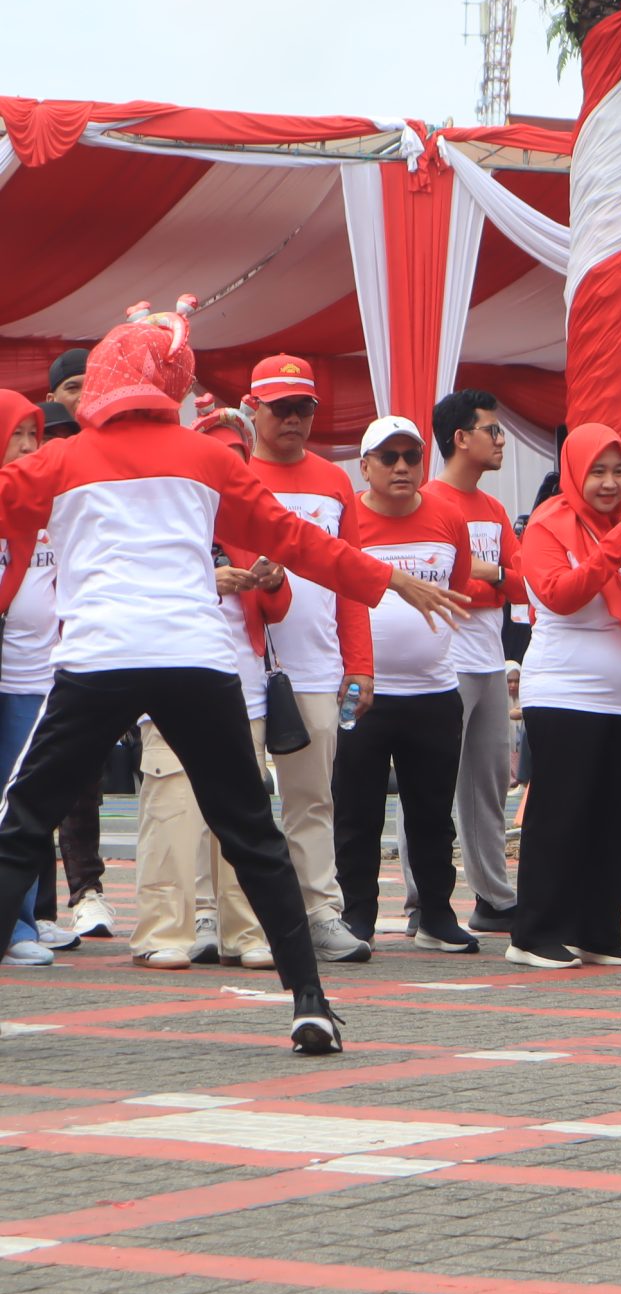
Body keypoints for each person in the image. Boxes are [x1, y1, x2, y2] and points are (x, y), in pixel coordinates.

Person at [0, 300, 468, 1052]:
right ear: (167, 385)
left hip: (100, 660)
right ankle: (309, 1001)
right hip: (197, 658)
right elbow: (296, 540)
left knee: (22, 825)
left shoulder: (60, 460)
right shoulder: (210, 457)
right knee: (252, 830)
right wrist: (387, 579)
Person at [131, 410, 292, 971]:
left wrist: (272, 580)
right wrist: (208, 577)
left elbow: (278, 609)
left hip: (240, 690)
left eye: (237, 459)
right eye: (219, 456)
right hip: (171, 684)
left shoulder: (252, 525)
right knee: (172, 810)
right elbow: (142, 585)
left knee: (242, 815)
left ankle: (244, 933)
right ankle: (161, 930)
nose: (228, 468)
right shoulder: (166, 518)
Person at [507, 426, 621, 969]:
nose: (609, 482)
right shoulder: (548, 526)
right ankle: (533, 933)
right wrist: (619, 544)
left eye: (618, 471)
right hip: (565, 692)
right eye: (597, 471)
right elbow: (562, 595)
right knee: (561, 812)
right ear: (575, 472)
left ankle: (599, 930)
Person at [243, 354, 374, 964]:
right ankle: (227, 917)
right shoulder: (234, 470)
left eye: (304, 407)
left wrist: (361, 663)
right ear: (253, 409)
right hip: (241, 662)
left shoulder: (335, 479)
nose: (294, 419)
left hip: (318, 668)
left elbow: (351, 578)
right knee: (235, 793)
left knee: (312, 795)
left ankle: (321, 910)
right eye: (281, 407)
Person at [333, 416, 478, 954]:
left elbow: (458, 588)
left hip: (435, 692)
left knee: (432, 811)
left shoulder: (448, 516)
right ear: (364, 465)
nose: (400, 467)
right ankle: (357, 916)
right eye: (388, 458)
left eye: (410, 457)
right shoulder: (346, 516)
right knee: (355, 809)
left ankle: (436, 914)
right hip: (356, 692)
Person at [423, 389, 525, 936]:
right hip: (444, 661)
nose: (501, 440)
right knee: (432, 785)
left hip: (487, 659)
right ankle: (424, 899)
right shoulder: (430, 503)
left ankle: (494, 897)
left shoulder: (493, 509)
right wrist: (491, 578)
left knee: (487, 786)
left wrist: (489, 577)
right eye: (493, 430)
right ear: (461, 438)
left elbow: (523, 577)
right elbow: (450, 584)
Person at [31, 350, 109, 943]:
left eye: (92, 386)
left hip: (90, 646)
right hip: (29, 658)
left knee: (85, 778)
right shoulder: (37, 467)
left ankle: (86, 893)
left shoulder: (111, 461)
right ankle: (36, 912)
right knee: (34, 780)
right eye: (70, 387)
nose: (80, 398)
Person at [0, 392, 58, 966]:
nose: (26, 446)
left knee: (20, 802)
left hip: (29, 681)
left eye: (32, 435)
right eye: (15, 434)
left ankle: (18, 924)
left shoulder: (48, 509)